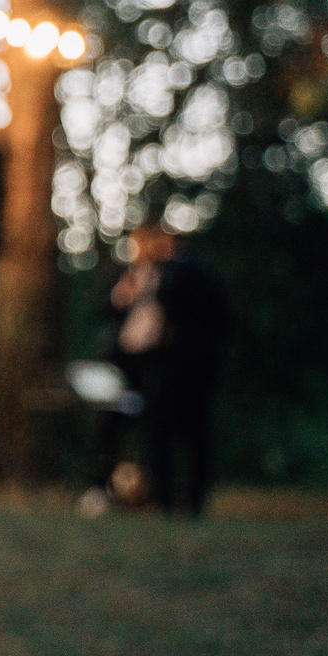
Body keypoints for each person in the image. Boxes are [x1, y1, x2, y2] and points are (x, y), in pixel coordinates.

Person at [108, 221, 231, 517]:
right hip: (204, 363)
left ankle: (163, 499)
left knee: (160, 430)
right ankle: (194, 500)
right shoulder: (211, 277)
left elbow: (150, 320)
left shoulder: (169, 276)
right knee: (197, 432)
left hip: (172, 363)